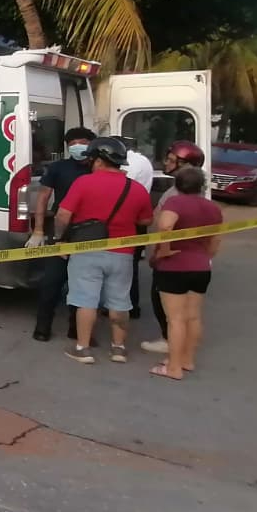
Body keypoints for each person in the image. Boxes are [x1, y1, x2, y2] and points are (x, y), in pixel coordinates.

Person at [53, 137, 154, 364]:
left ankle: (83, 348)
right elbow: (147, 219)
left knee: (86, 300)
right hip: (122, 253)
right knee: (120, 302)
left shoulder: (83, 183)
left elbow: (63, 215)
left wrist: (59, 239)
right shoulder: (135, 188)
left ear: (98, 161)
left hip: (86, 250)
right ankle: (118, 349)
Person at [147, 165, 222, 380]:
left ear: (177, 184)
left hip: (174, 267)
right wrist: (206, 254)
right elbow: (215, 239)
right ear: (202, 185)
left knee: (175, 319)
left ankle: (173, 368)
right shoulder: (212, 208)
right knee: (193, 317)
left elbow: (165, 226)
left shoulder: (175, 202)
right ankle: (187, 360)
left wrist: (165, 250)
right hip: (201, 266)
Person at [28, 126, 95, 342]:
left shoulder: (98, 169)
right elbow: (43, 197)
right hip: (59, 227)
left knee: (84, 282)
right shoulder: (58, 168)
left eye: (82, 142)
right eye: (72, 144)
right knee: (52, 280)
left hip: (89, 230)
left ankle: (76, 329)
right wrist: (38, 229)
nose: (77, 147)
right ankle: (42, 327)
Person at [141, 140, 207, 354]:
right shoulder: (200, 197)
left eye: (171, 160)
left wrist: (161, 253)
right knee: (191, 312)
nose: (166, 163)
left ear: (184, 163)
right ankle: (186, 350)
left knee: (166, 306)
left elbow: (166, 227)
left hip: (172, 260)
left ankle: (169, 341)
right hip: (197, 260)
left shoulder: (177, 195)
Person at [120, 138, 156, 318]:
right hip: (137, 216)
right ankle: (131, 305)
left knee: (127, 266)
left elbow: (121, 186)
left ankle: (129, 306)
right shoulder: (143, 160)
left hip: (129, 218)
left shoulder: (131, 164)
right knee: (131, 264)